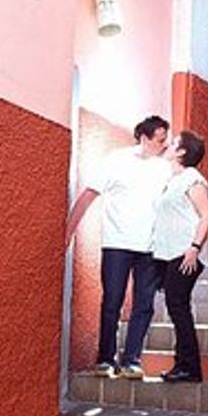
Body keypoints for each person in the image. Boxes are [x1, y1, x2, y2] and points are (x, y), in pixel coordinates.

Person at [65, 115, 171, 378]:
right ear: (144, 138)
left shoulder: (164, 168)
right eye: (160, 140)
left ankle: (131, 360)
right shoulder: (116, 160)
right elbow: (89, 194)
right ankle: (105, 359)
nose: (164, 145)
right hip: (116, 244)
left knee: (144, 304)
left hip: (151, 247)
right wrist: (68, 231)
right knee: (112, 300)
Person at [151, 130, 208, 383]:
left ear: (182, 152)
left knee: (178, 306)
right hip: (170, 253)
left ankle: (188, 368)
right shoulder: (174, 179)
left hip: (186, 253)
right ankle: (185, 366)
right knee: (178, 307)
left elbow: (207, 214)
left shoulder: (192, 179)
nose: (168, 144)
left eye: (173, 142)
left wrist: (194, 247)